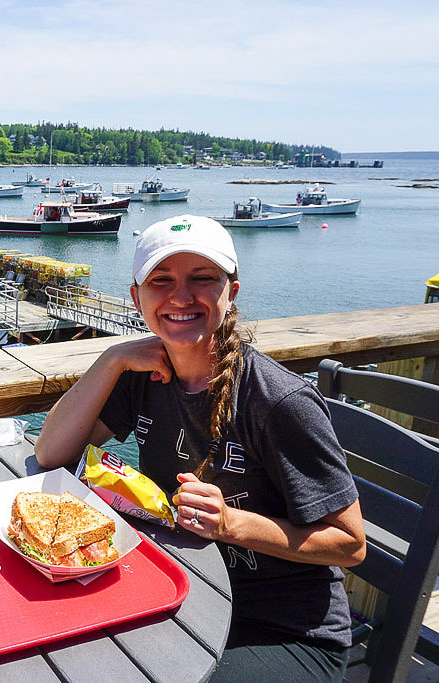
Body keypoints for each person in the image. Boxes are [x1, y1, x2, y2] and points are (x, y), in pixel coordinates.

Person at [34, 215, 365, 681]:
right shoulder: (143, 375)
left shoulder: (277, 401)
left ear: (232, 291)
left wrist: (231, 523)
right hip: (181, 589)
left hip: (283, 628)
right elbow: (51, 453)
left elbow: (350, 544)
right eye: (161, 281)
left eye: (202, 279)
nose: (182, 297)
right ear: (137, 297)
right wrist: (111, 359)